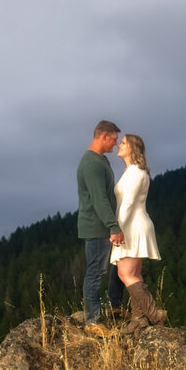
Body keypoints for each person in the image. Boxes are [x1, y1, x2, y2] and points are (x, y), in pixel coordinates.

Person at [110, 133, 167, 333]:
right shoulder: (131, 171)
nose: (119, 144)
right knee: (132, 274)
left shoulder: (135, 172)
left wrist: (116, 228)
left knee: (126, 273)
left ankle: (154, 314)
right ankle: (138, 319)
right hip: (131, 224)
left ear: (133, 148)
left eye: (123, 142)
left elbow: (128, 204)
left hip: (132, 225)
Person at [77, 120, 125, 335]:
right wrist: (113, 226)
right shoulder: (92, 163)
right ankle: (93, 322)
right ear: (103, 136)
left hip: (101, 226)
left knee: (101, 271)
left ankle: (109, 311)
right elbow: (99, 199)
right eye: (114, 139)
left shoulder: (101, 161)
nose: (115, 144)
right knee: (95, 273)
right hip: (96, 227)